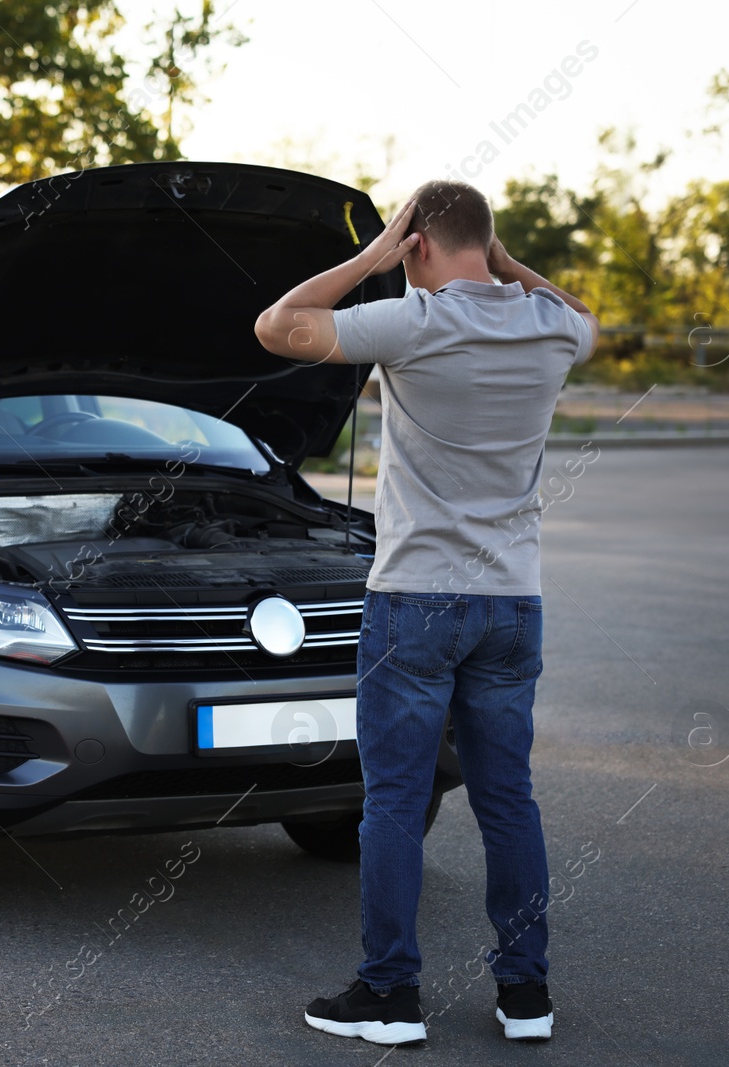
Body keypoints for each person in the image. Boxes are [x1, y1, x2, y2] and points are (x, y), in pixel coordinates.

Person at [254, 180, 598, 1046]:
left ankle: (390, 996)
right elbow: (585, 315)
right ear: (488, 241)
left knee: (396, 804)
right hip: (513, 600)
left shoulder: (411, 322)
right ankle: (527, 996)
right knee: (509, 800)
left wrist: (373, 262)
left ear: (417, 245)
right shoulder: (548, 327)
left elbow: (276, 325)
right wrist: (510, 265)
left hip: (415, 600)